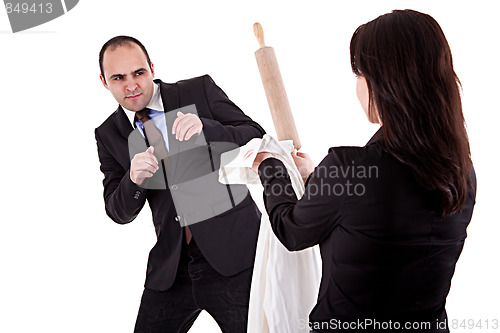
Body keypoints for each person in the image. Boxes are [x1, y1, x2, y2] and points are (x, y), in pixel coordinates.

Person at [252, 10, 476, 332]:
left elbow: (291, 229)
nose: (357, 86)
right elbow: (371, 212)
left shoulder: (349, 171)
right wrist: (314, 178)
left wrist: (271, 167)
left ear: (386, 82)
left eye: (359, 74)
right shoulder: (462, 172)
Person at [95, 35, 265, 332]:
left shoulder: (197, 90)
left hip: (235, 256)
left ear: (151, 67)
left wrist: (207, 128)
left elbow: (255, 134)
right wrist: (132, 180)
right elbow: (117, 211)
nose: (131, 85)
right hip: (172, 266)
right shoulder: (109, 133)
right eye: (118, 78)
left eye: (138, 73)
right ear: (104, 81)